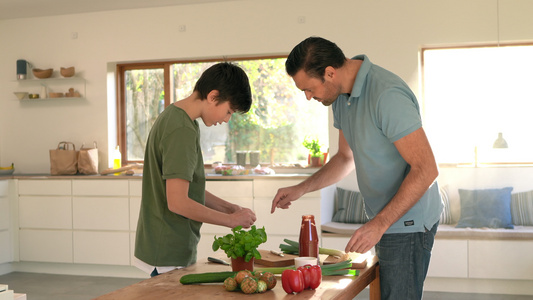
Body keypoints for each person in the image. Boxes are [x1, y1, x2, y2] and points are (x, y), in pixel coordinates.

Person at [271, 37, 442, 299]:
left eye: (308, 88)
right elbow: (345, 158)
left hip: (408, 222)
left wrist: (379, 224)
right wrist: (300, 189)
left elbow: (426, 169)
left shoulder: (387, 95)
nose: (307, 97)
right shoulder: (340, 96)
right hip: (383, 219)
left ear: (330, 72)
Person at [135, 62, 257, 277]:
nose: (226, 119)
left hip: (165, 248)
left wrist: (228, 208)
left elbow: (186, 188)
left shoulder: (179, 119)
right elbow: (178, 202)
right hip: (167, 252)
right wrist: (231, 221)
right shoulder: (181, 129)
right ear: (213, 96)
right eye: (228, 111)